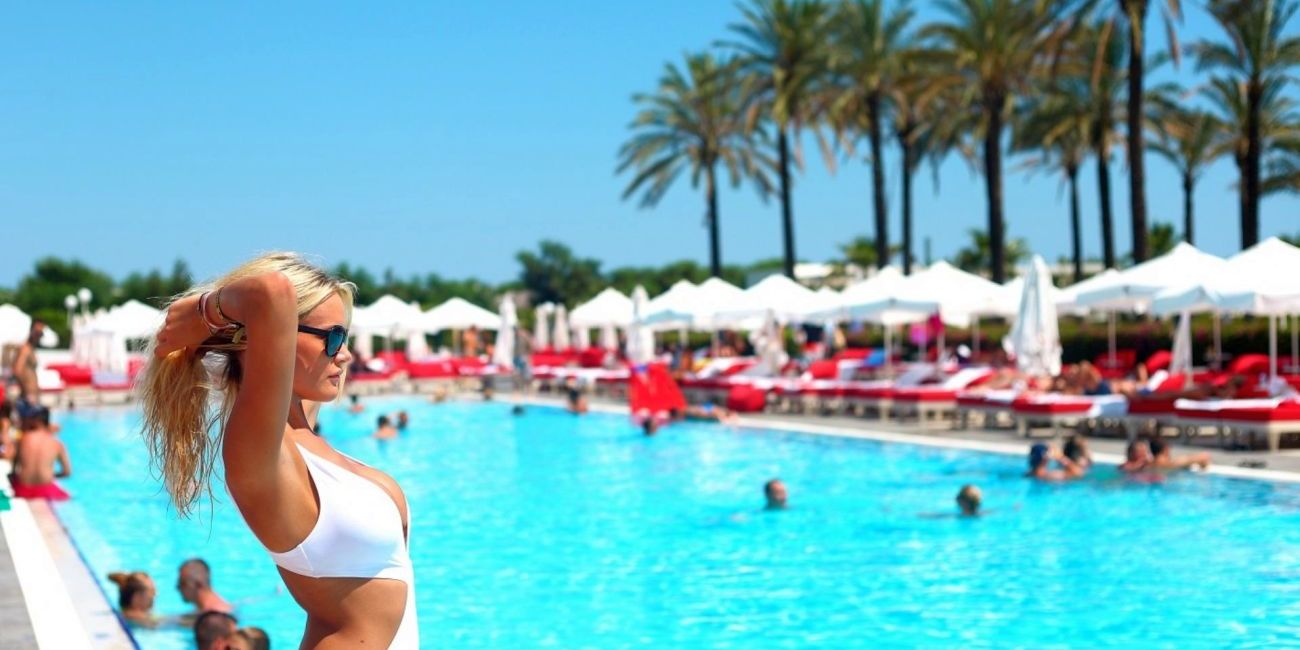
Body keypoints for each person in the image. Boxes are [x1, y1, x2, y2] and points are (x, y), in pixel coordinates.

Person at [141, 253, 418, 648]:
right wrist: (205, 313)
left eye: (345, 337)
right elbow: (271, 293)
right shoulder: (259, 449)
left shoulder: (305, 438)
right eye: (332, 338)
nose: (344, 353)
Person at [10, 406, 71, 500]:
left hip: (23, 489)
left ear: (36, 421)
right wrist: (51, 476)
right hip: (47, 489)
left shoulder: (23, 439)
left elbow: (14, 468)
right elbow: (67, 472)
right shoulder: (57, 444)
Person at [11, 320, 46, 418]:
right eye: (37, 332)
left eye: (41, 333)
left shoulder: (31, 348)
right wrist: (26, 392)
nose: (39, 336)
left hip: (32, 396)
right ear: (31, 331)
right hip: (29, 397)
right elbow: (17, 370)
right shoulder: (25, 348)